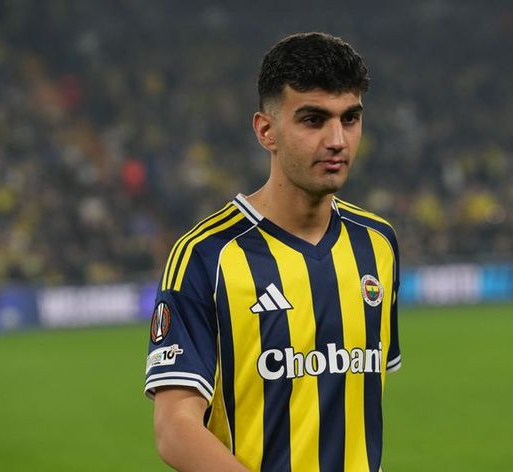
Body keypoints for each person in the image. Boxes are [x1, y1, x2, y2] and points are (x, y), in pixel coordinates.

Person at [144, 32, 401, 472]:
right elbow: (174, 428)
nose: (337, 139)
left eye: (350, 118)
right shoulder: (207, 255)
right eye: (313, 120)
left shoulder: (378, 243)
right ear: (267, 131)